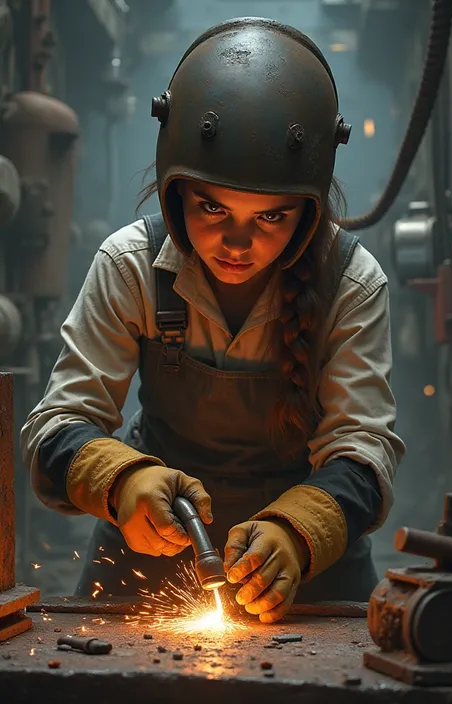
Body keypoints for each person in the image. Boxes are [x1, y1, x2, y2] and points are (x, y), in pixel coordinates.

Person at [21, 17, 405, 623]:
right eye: (210, 206)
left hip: (306, 571)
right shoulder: (132, 265)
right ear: (174, 193)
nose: (237, 243)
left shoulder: (351, 284)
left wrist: (299, 533)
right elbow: (53, 433)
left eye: (272, 219)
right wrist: (123, 484)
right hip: (149, 553)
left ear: (308, 214)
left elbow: (365, 453)